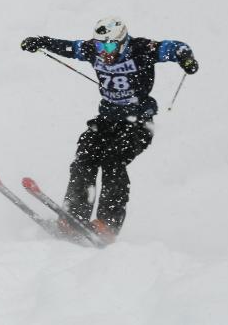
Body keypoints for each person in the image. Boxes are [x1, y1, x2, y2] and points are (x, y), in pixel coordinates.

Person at [20, 17, 199, 241]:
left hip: (138, 123)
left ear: (122, 42)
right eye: (99, 45)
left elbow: (175, 47)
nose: (104, 51)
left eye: (110, 46)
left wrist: (186, 58)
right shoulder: (93, 51)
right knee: (85, 156)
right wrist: (42, 42)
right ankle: (74, 216)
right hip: (107, 120)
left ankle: (108, 224)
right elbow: (70, 47)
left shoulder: (142, 49)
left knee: (113, 160)